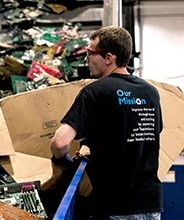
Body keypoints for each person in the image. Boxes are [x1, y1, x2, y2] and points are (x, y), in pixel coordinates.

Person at [50, 26, 163, 219]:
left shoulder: (95, 92)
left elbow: (60, 142)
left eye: (90, 53)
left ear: (109, 58)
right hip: (150, 203)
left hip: (114, 204)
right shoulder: (150, 92)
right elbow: (154, 132)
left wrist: (61, 160)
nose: (86, 59)